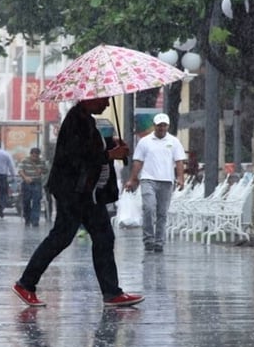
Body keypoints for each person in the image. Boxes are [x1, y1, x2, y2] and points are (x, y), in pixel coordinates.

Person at [13, 97, 144, 307]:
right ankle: (26, 283)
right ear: (90, 98)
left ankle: (112, 292)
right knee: (61, 237)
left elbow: (91, 148)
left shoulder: (87, 120)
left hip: (89, 193)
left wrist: (111, 144)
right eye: (104, 99)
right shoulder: (76, 120)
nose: (107, 105)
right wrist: (110, 154)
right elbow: (77, 157)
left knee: (104, 238)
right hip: (73, 192)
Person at [124, 113, 186, 253]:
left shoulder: (174, 142)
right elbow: (138, 161)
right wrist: (133, 179)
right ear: (154, 126)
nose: (161, 128)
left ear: (168, 126)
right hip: (148, 179)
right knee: (149, 208)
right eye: (159, 125)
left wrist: (180, 178)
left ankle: (159, 241)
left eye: (164, 125)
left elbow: (179, 161)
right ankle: (148, 240)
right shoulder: (145, 142)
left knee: (162, 213)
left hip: (166, 181)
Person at [18, 147, 49, 226]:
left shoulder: (41, 162)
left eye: (37, 156)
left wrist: (41, 170)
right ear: (31, 154)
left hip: (37, 183)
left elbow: (46, 170)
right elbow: (20, 170)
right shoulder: (24, 161)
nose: (35, 158)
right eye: (33, 156)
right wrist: (25, 177)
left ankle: (35, 220)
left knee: (36, 201)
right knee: (26, 201)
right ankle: (27, 218)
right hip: (27, 183)